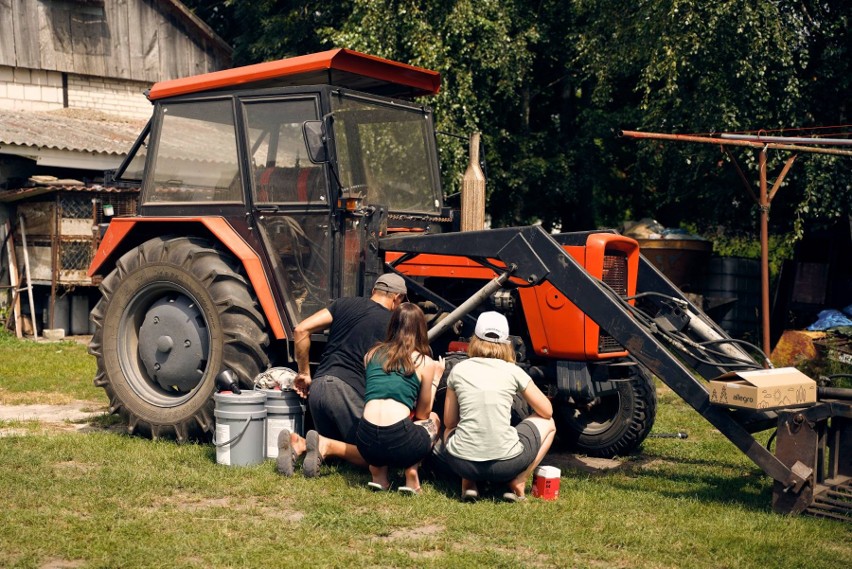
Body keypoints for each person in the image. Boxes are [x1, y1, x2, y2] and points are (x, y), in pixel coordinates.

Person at [276, 273, 407, 477]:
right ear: (397, 298)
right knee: (377, 458)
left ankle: (300, 444)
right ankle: (324, 445)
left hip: (318, 388)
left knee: (342, 451)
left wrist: (304, 373)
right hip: (346, 391)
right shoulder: (392, 322)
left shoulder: (343, 304)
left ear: (374, 291)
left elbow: (301, 329)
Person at [437, 311, 556, 502]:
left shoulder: (459, 370)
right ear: (506, 342)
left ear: (475, 339)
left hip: (462, 463)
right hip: (507, 464)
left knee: (451, 429)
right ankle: (519, 480)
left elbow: (450, 421)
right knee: (549, 423)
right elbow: (547, 411)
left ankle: (468, 483)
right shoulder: (513, 371)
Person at [356, 303, 444, 494]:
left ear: (392, 325)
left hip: (365, 439)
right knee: (434, 419)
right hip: (400, 440)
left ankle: (378, 474)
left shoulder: (370, 355)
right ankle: (411, 470)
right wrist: (436, 379)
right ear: (421, 329)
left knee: (381, 427)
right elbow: (423, 414)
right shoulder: (424, 362)